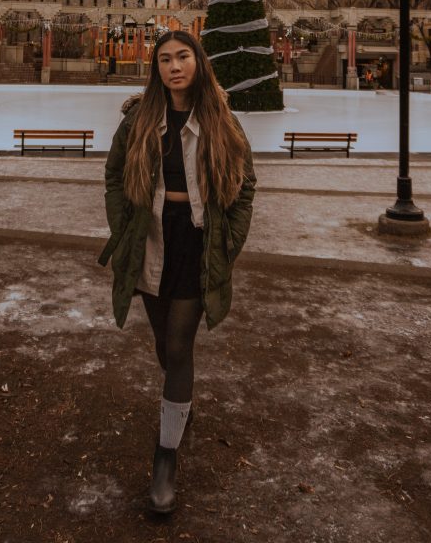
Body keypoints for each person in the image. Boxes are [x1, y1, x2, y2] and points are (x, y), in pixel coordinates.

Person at [99, 29, 256, 515]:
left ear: (198, 61)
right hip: (151, 240)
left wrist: (228, 244)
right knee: (163, 342)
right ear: (157, 68)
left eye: (182, 56)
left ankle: (165, 458)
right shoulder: (140, 118)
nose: (174, 66)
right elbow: (113, 174)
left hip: (197, 240)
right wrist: (124, 228)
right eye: (164, 59)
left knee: (179, 344)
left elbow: (245, 183)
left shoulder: (220, 119)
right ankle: (180, 403)